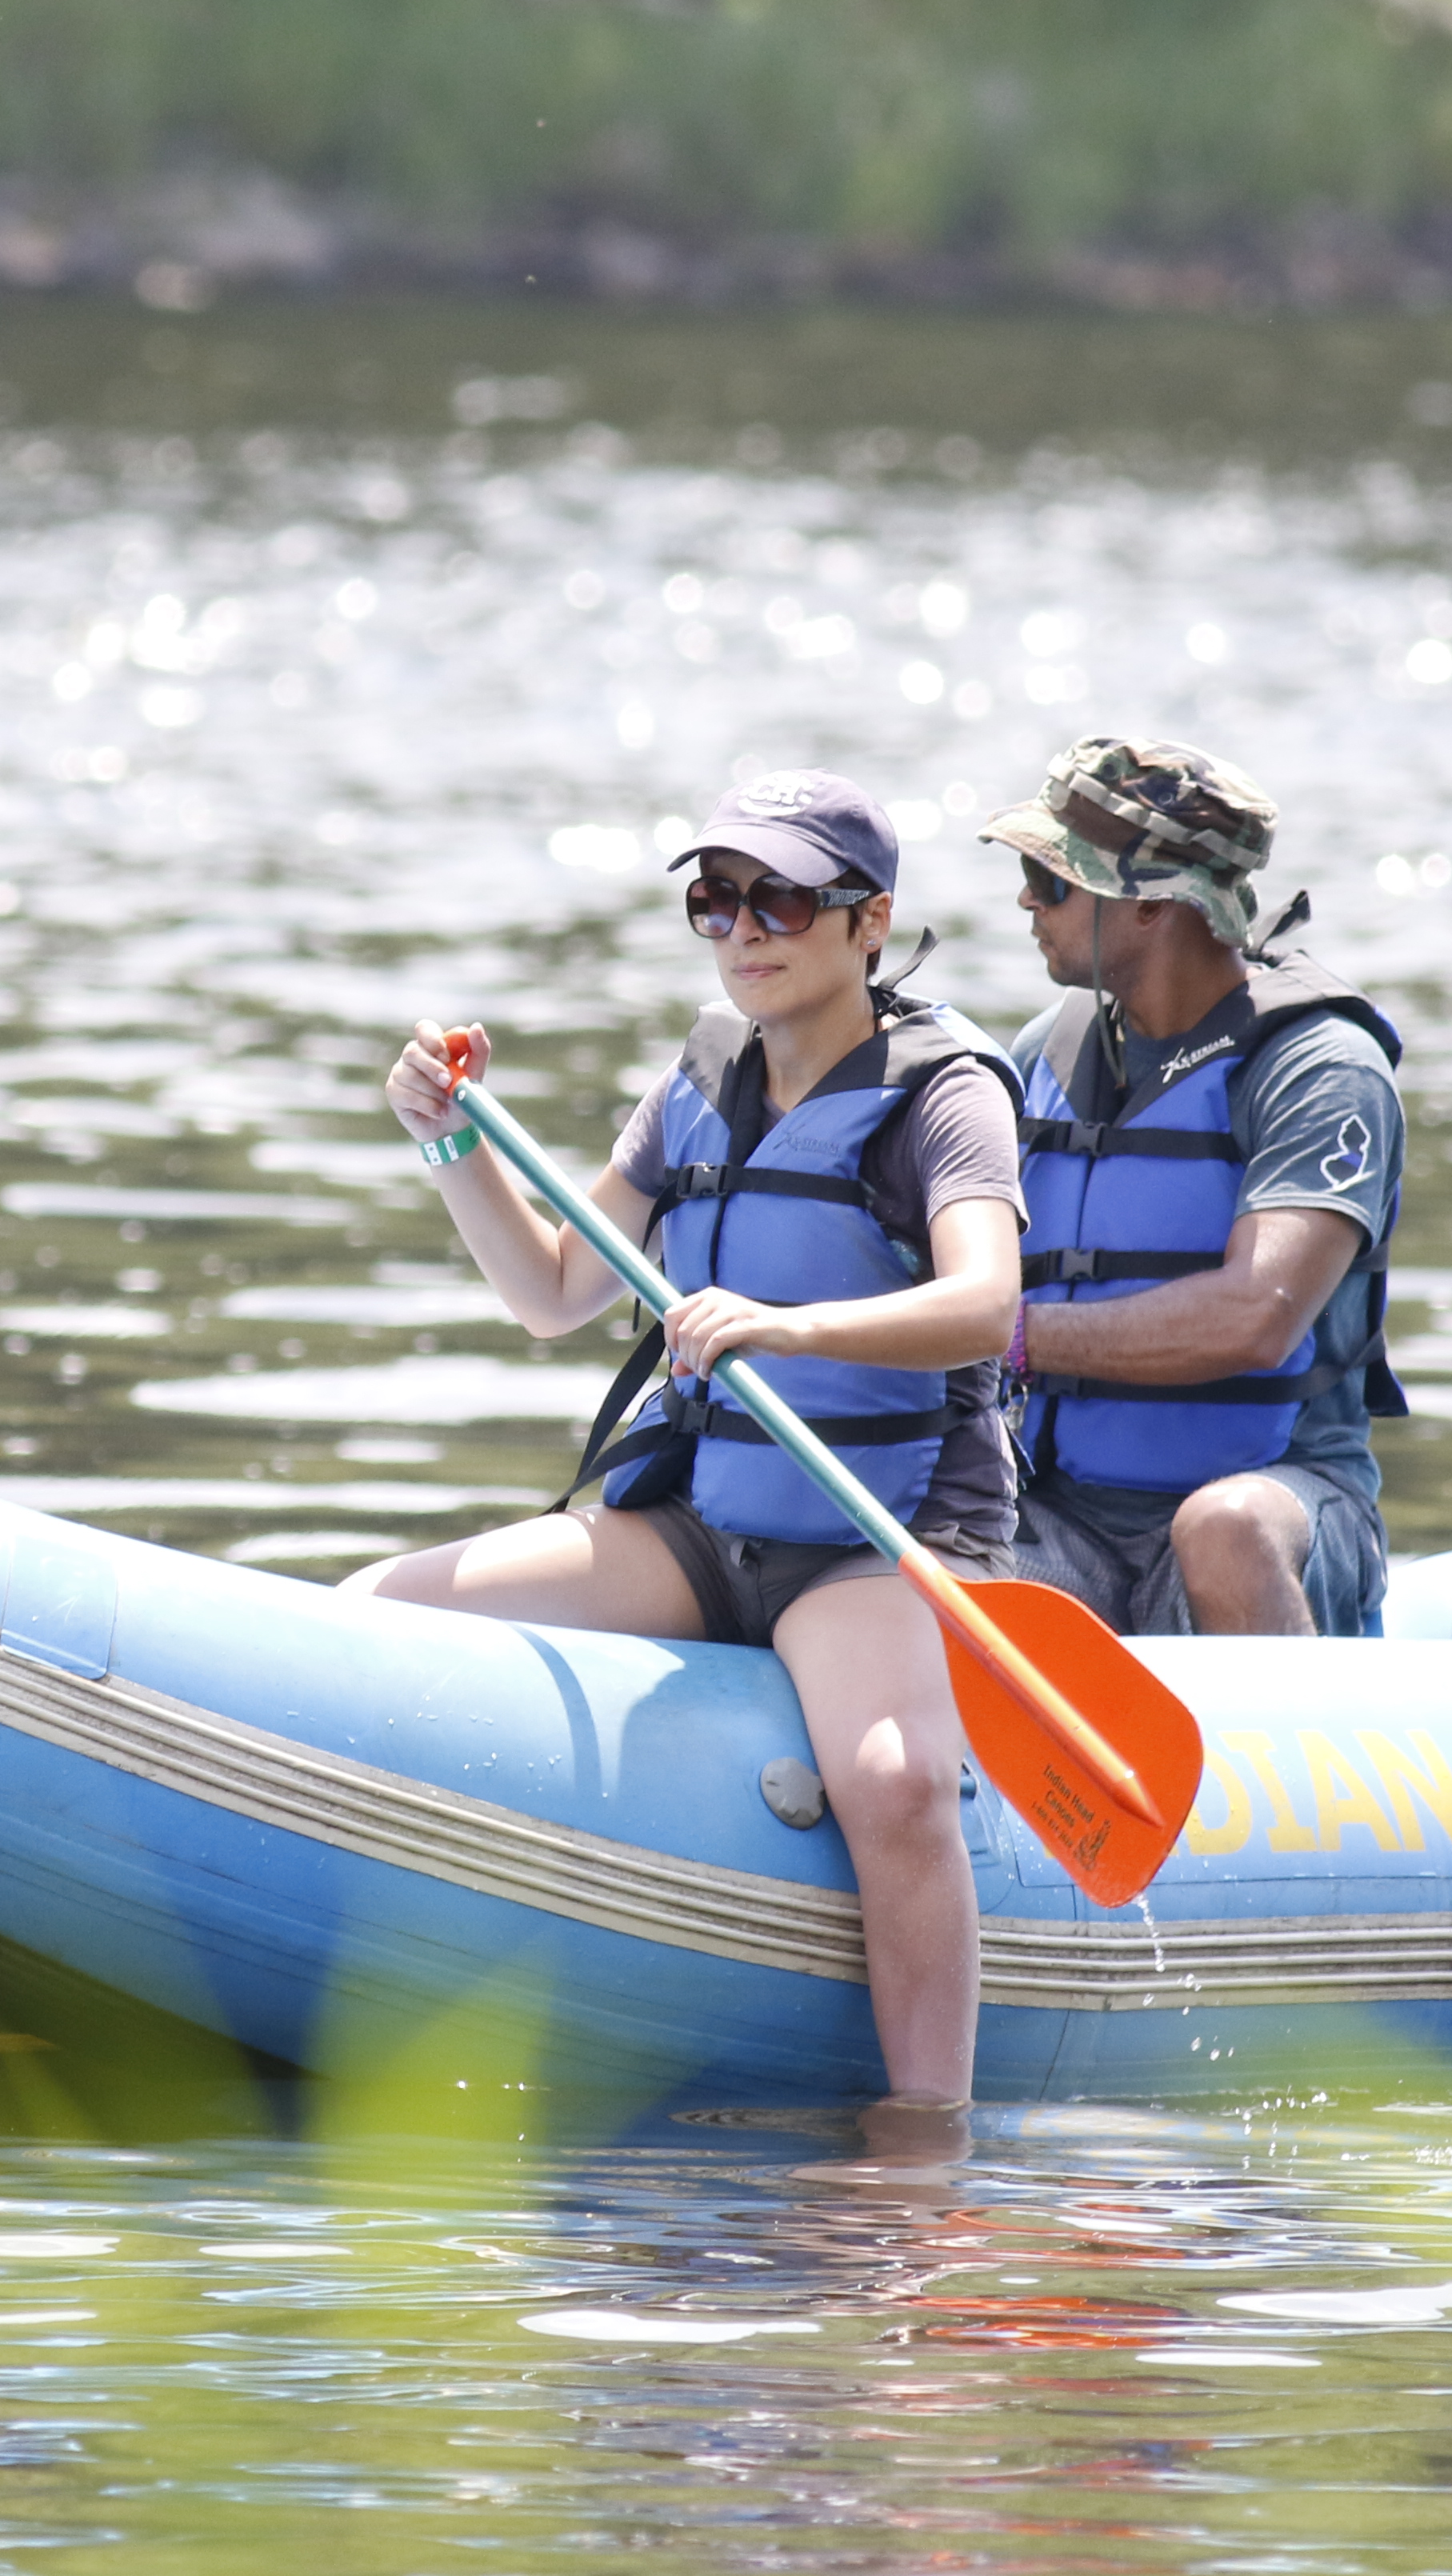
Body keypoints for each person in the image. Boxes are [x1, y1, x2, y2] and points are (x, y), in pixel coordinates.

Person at [337, 770, 1025, 2117]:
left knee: (890, 1784)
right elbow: (549, 1291)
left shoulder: (946, 1093)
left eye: (779, 896)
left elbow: (984, 1302)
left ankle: (924, 2141)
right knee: (384, 1610)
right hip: (709, 1521)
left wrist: (791, 1325)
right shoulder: (698, 1081)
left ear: (868, 918)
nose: (742, 927)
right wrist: (450, 1139)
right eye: (715, 898)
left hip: (875, 1536)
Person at [982, 735, 1406, 1641]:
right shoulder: (1038, 1058)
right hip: (1069, 1513)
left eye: (1052, 879)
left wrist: (1002, 1337)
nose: (1026, 898)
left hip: (1282, 1500)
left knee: (1223, 1531)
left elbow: (1254, 1319)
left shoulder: (1321, 1068)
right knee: (929, 1556)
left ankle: (1302, 1776)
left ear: (1152, 908)